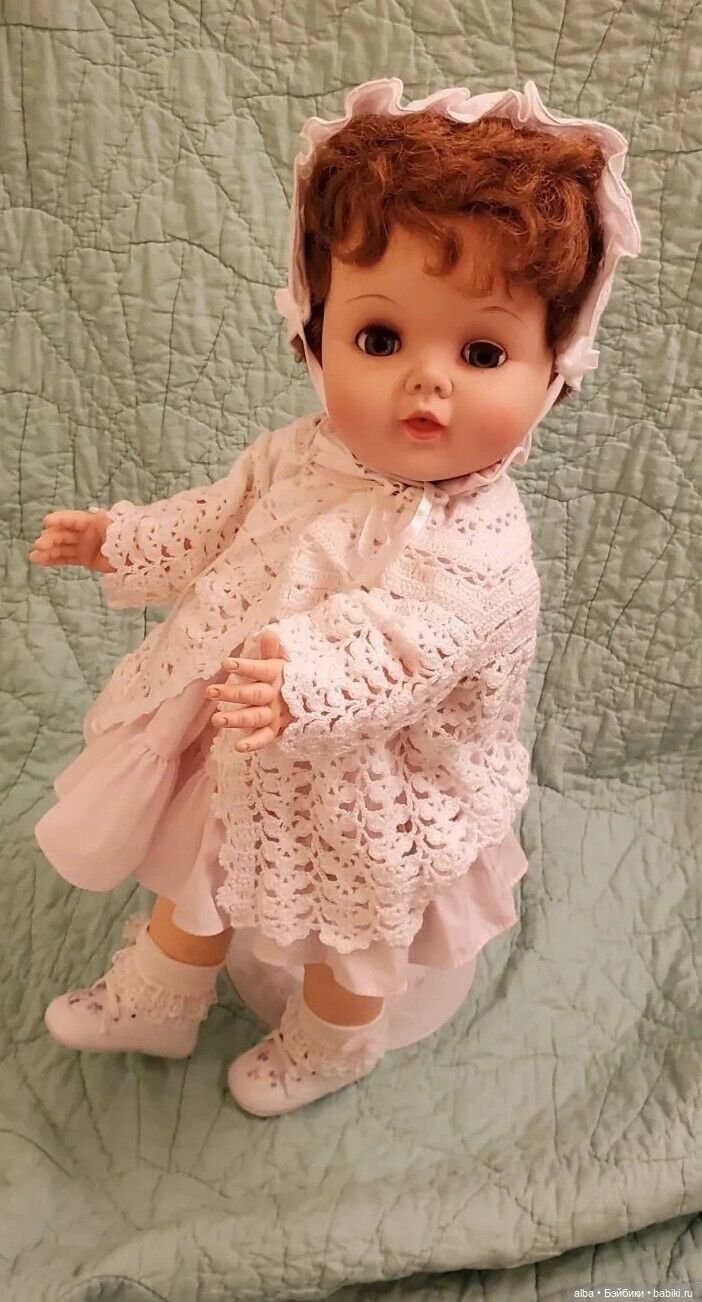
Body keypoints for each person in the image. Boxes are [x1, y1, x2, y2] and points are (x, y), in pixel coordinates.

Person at [28, 78, 640, 1117]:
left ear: (555, 371)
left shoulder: (482, 540)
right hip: (240, 734)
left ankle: (331, 1042)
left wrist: (300, 683)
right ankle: (162, 993)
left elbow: (410, 646)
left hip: (382, 779)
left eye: (482, 352)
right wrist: (118, 539)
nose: (427, 382)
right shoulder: (298, 454)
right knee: (197, 868)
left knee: (353, 942)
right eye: (380, 339)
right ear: (314, 337)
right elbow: (217, 521)